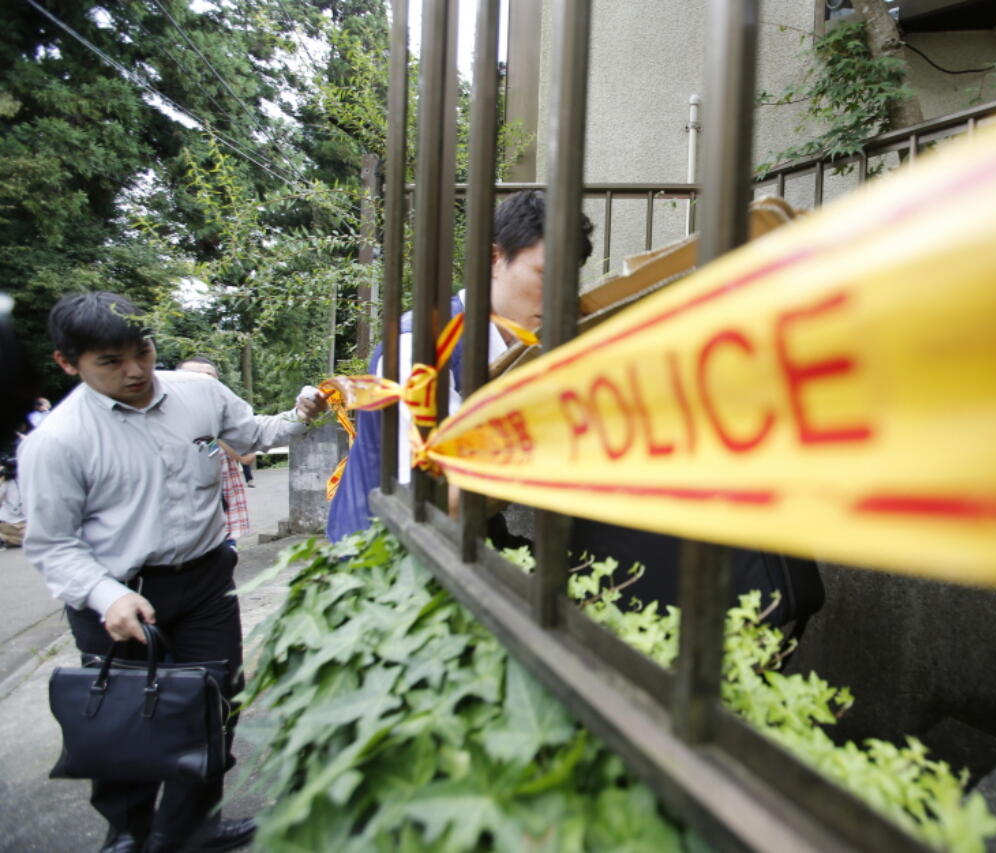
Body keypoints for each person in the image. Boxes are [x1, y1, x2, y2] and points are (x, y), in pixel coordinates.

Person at [18, 292, 326, 853]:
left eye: (142, 350)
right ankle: (128, 835)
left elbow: (254, 434)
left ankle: (191, 830)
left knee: (213, 707)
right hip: (121, 598)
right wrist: (105, 595)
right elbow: (54, 545)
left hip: (206, 581)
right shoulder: (57, 442)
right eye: (110, 362)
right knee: (126, 721)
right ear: (69, 364)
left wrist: (302, 415)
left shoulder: (199, 394)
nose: (135, 371)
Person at [326, 190, 594, 541]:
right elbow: (440, 502)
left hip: (461, 542)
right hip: (381, 559)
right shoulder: (422, 347)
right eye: (546, 274)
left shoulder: (525, 347)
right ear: (493, 259)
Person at [177, 357, 251, 546]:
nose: (202, 382)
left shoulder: (227, 417)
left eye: (209, 378)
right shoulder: (163, 419)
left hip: (221, 517)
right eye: (193, 377)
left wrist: (211, 432)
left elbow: (247, 457)